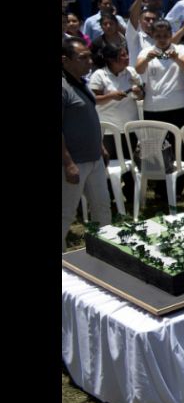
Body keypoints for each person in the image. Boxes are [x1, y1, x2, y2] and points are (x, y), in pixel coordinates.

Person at [62, 36, 112, 251]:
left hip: (94, 159)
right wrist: (68, 163)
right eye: (82, 58)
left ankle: (107, 251)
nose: (89, 61)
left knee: (102, 208)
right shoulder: (62, 87)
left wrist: (100, 146)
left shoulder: (82, 82)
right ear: (65, 60)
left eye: (89, 56)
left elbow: (89, 116)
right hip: (74, 163)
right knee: (66, 213)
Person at [89, 43, 144, 203]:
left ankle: (132, 197)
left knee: (130, 163)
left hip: (129, 128)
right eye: (123, 56)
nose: (127, 58)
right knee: (109, 165)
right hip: (109, 130)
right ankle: (109, 197)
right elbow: (94, 99)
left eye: (127, 54)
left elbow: (141, 96)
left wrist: (138, 91)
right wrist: (111, 96)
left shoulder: (131, 72)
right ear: (111, 60)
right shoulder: (99, 75)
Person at [134, 19, 184, 128]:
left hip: (179, 105)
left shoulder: (180, 49)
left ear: (171, 34)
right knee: (156, 144)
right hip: (153, 107)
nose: (162, 39)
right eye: (158, 36)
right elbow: (139, 70)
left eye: (165, 35)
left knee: (180, 143)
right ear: (152, 35)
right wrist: (147, 59)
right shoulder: (146, 51)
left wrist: (176, 58)